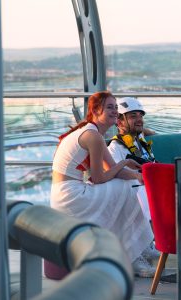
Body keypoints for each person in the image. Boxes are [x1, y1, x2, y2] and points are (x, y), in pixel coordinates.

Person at [50, 91, 156, 278]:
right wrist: (125, 164)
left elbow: (112, 169)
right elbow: (99, 178)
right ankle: (133, 254)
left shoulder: (92, 132)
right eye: (109, 107)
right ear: (96, 110)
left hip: (66, 193)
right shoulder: (93, 136)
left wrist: (139, 177)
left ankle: (140, 247)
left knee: (129, 185)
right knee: (126, 189)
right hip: (70, 197)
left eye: (116, 107)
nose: (115, 111)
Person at [107, 97, 160, 264]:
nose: (139, 119)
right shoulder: (115, 147)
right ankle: (134, 256)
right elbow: (114, 172)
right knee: (142, 197)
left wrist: (148, 131)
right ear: (119, 122)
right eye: (132, 116)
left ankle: (145, 245)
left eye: (140, 116)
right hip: (129, 191)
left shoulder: (141, 143)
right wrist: (138, 177)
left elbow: (144, 131)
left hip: (145, 188)